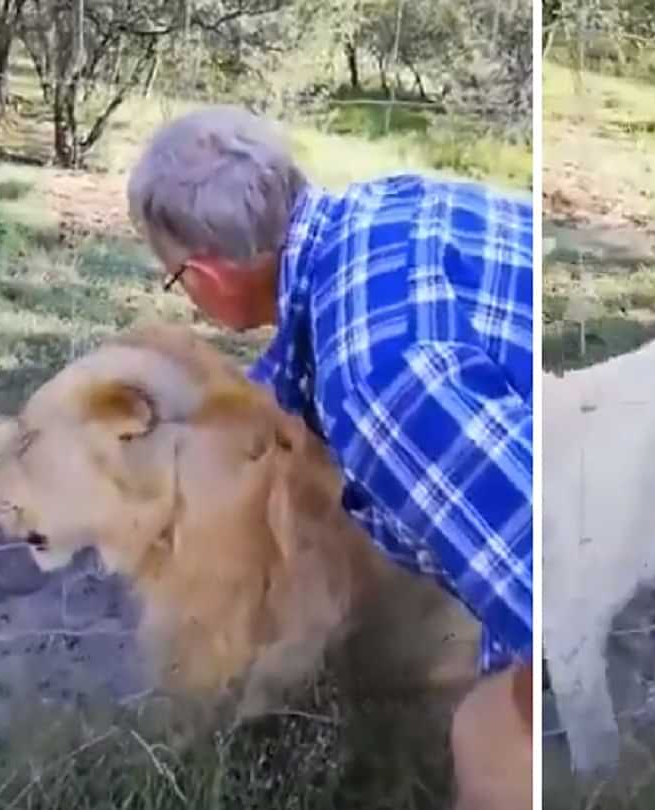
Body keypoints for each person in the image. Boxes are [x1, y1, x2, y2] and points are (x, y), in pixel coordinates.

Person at [126, 105, 532, 807]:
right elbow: (298, 380)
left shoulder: (379, 383)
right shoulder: (379, 208)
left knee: (489, 734)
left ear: (209, 276)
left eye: (175, 280)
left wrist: (507, 720)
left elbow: (540, 583)